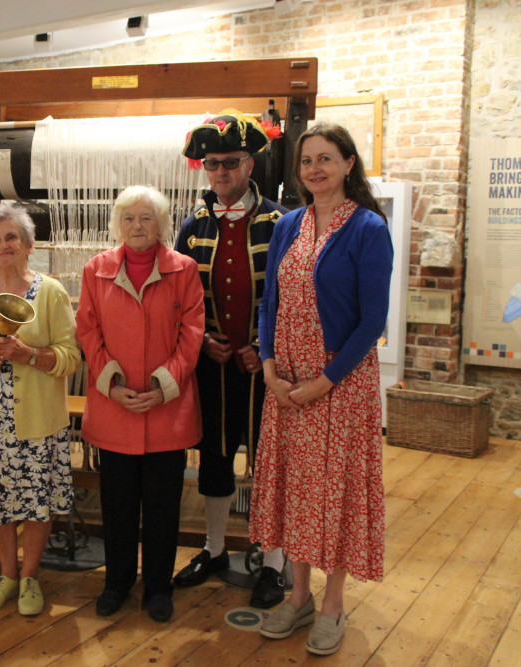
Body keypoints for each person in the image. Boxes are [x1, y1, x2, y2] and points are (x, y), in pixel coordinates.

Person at [250, 122, 392, 656]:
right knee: (297, 492)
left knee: (335, 493)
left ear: (348, 164)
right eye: (307, 160)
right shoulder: (288, 224)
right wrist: (268, 364)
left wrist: (323, 383)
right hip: (286, 383)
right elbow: (271, 303)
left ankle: (332, 602)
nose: (315, 168)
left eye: (326, 158)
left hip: (340, 386)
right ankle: (298, 594)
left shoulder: (368, 229)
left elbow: (371, 319)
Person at [173, 110, 289, 609]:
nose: (220, 172)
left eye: (231, 162)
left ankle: (274, 561)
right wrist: (201, 341)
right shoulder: (193, 226)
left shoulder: (281, 222)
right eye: (211, 163)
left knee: (270, 462)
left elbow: (293, 298)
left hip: (268, 368)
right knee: (215, 459)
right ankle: (215, 548)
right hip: (213, 363)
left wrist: (262, 349)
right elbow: (178, 300)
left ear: (251, 164)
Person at [76, 185, 204, 623]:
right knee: (118, 506)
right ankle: (117, 582)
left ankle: (158, 586)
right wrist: (111, 384)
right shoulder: (95, 270)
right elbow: (88, 332)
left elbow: (192, 332)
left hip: (166, 411)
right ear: (117, 223)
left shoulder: (183, 269)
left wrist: (164, 384)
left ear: (162, 224)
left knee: (165, 506)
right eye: (129, 217)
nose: (137, 225)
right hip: (115, 410)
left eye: (147, 217)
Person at [0, 202, 80, 616]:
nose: (3, 245)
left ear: (28, 245)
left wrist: (28, 354)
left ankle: (29, 577)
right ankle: (6, 575)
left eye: (12, 237)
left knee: (36, 501)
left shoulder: (51, 291)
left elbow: (71, 356)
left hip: (39, 421)